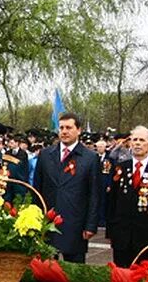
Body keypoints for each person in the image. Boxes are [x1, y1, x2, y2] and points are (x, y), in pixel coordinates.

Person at [32, 112, 100, 262]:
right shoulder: (45, 154)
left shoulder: (90, 158)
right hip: (48, 222)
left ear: (79, 130)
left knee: (74, 273)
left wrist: (91, 225)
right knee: (45, 271)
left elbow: (94, 194)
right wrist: (35, 219)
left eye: (69, 127)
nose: (64, 131)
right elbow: (37, 189)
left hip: (75, 224)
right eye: (61, 128)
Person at [105, 125, 148, 267]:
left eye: (141, 140)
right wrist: (110, 232)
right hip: (122, 236)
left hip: (147, 236)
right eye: (134, 140)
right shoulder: (120, 168)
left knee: (143, 280)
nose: (137, 143)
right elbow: (112, 202)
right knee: (121, 278)